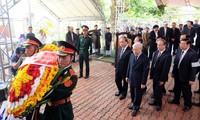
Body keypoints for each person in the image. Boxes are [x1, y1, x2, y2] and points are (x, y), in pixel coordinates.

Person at [44, 41, 78, 120]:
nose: (60, 60)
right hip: (49, 108)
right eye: (59, 56)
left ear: (72, 57)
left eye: (64, 57)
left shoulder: (72, 76)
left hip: (62, 112)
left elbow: (55, 94)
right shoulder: (54, 69)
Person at [169, 38, 198, 112]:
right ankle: (176, 100)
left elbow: (194, 68)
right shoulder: (179, 50)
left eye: (183, 44)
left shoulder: (193, 54)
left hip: (186, 76)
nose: (181, 45)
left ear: (188, 45)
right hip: (177, 73)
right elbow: (176, 62)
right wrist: (173, 72)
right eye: (180, 43)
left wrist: (192, 79)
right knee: (177, 88)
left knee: (186, 91)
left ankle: (188, 104)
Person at [126, 42, 149, 116]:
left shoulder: (145, 58)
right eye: (133, 49)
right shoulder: (132, 55)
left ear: (140, 49)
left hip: (139, 80)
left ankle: (136, 107)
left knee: (138, 94)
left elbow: (145, 72)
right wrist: (127, 76)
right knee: (132, 92)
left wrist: (143, 83)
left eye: (136, 50)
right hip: (131, 78)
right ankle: (133, 103)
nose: (134, 51)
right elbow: (129, 66)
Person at [149, 38, 172, 111]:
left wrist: (163, 79)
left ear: (164, 45)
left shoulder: (167, 55)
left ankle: (159, 104)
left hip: (160, 76)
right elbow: (153, 64)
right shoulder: (155, 52)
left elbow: (166, 69)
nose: (158, 47)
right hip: (154, 74)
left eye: (160, 45)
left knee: (159, 91)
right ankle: (155, 101)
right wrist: (151, 74)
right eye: (157, 45)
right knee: (155, 89)